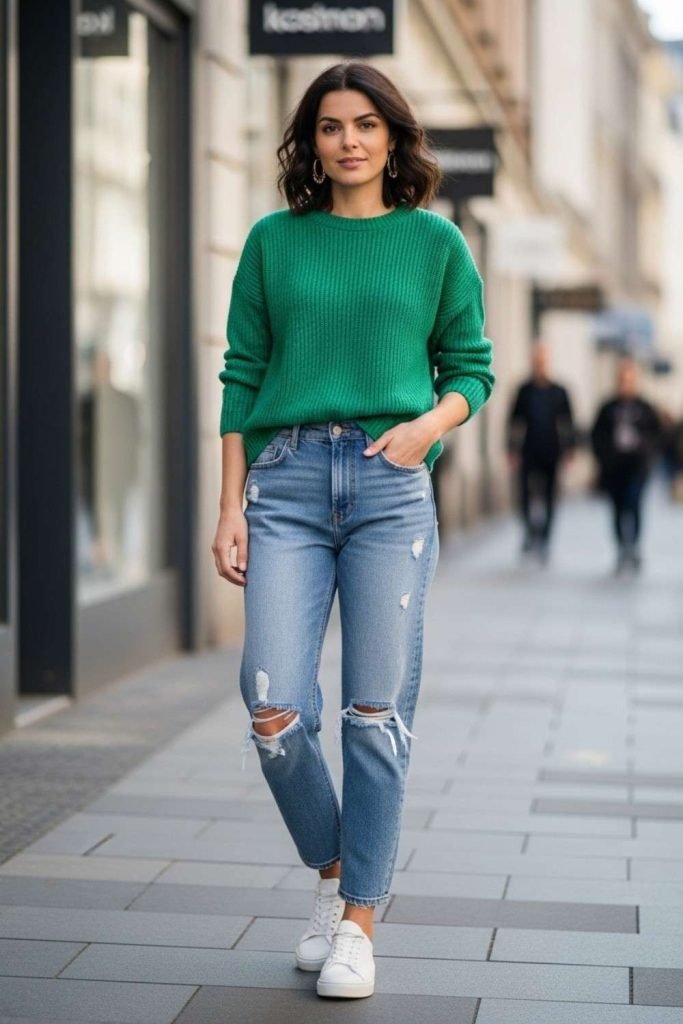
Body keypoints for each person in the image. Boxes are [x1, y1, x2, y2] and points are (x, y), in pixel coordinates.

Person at [211, 61, 494, 1000]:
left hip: (390, 486)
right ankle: (337, 875)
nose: (348, 142)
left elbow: (471, 369)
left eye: (365, 124)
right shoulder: (271, 242)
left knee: (375, 715)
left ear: (394, 137)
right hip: (284, 484)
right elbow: (241, 376)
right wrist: (228, 503)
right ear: (310, 141)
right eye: (330, 126)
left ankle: (359, 924)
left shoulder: (434, 244)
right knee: (272, 702)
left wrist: (425, 427)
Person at [590, 357, 661, 572]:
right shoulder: (608, 408)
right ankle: (622, 547)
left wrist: (647, 452)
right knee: (618, 508)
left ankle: (634, 545)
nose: (626, 384)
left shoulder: (645, 407)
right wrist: (603, 457)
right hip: (614, 467)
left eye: (629, 380)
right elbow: (597, 435)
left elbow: (657, 435)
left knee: (635, 504)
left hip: (637, 466)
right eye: (622, 379)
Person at [507, 343, 575, 560]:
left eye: (543, 362)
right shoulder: (524, 390)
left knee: (549, 497)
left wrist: (570, 450)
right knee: (524, 495)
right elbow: (513, 421)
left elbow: (569, 422)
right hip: (529, 450)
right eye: (537, 362)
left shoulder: (559, 391)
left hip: (552, 451)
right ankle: (529, 530)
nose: (540, 366)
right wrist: (512, 450)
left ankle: (545, 538)